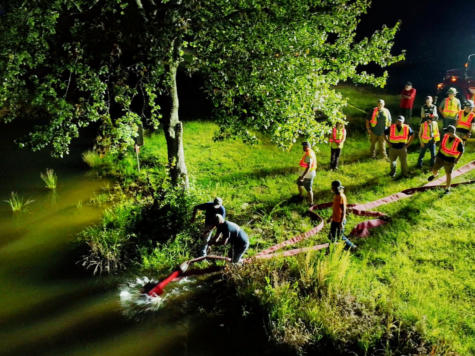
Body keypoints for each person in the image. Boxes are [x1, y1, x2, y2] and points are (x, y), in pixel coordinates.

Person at [428, 125, 464, 193]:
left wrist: (457, 160)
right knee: (434, 169)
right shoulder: (446, 135)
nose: (446, 132)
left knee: (448, 174)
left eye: (447, 131)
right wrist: (438, 153)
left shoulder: (459, 141)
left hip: (450, 159)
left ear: (451, 132)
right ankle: (435, 175)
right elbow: (442, 144)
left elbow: (461, 152)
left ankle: (447, 188)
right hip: (441, 156)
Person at [327, 180, 356, 250]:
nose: (332, 189)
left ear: (336, 188)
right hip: (335, 219)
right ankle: (331, 247)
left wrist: (341, 223)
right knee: (331, 236)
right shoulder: (336, 196)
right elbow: (335, 209)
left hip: (339, 220)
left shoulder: (341, 197)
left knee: (340, 236)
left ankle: (352, 247)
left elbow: (344, 210)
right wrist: (331, 217)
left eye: (333, 187)